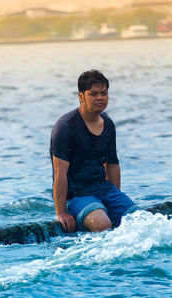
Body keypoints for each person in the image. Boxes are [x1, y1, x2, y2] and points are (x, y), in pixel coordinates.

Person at [50, 70, 136, 233]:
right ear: (81, 96)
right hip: (77, 196)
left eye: (104, 93)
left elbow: (112, 165)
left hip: (104, 189)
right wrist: (61, 212)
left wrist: (115, 200)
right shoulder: (65, 127)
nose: (100, 98)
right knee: (102, 225)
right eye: (93, 94)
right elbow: (59, 173)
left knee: (140, 221)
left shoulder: (108, 124)